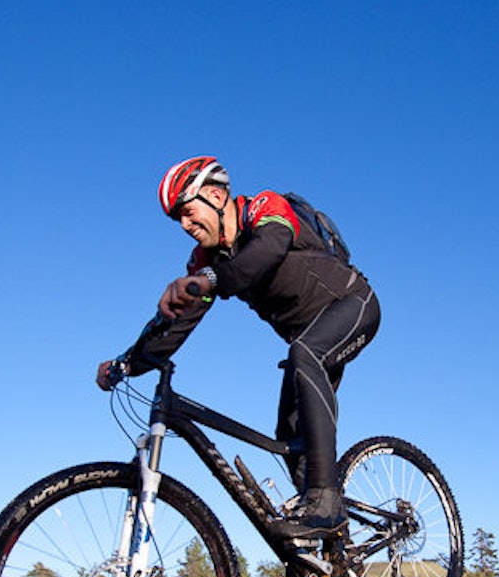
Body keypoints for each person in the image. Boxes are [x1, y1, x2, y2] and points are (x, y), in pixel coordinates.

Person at [96, 156, 380, 540]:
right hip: (308, 340)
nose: (185, 225)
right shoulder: (207, 260)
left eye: (188, 212)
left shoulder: (263, 209)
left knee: (305, 355)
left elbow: (268, 251)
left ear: (215, 195)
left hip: (352, 305)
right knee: (291, 436)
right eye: (178, 219)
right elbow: (178, 324)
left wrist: (207, 280)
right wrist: (127, 363)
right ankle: (333, 549)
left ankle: (327, 503)